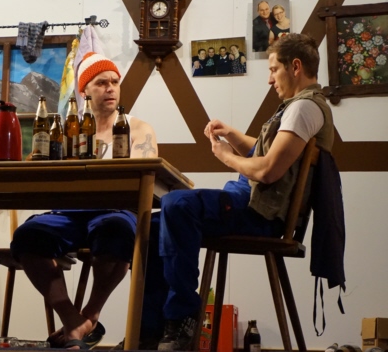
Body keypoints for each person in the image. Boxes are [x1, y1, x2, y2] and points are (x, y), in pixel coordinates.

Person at [127, 33, 334, 351]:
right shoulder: (300, 107)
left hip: (260, 214)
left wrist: (225, 156)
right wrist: (232, 135)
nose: (270, 79)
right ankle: (148, 331)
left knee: (177, 203)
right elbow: (268, 153)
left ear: (295, 67)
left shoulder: (304, 108)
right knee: (150, 227)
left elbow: (268, 170)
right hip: (250, 204)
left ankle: (182, 318)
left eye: (273, 69)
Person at [10, 52, 158, 350]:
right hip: (69, 212)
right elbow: (40, 166)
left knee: (116, 230)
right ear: (84, 91)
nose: (110, 88)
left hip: (115, 210)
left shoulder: (138, 128)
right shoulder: (68, 129)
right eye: (101, 83)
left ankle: (90, 314)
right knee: (28, 236)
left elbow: (145, 177)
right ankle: (72, 319)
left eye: (114, 82)